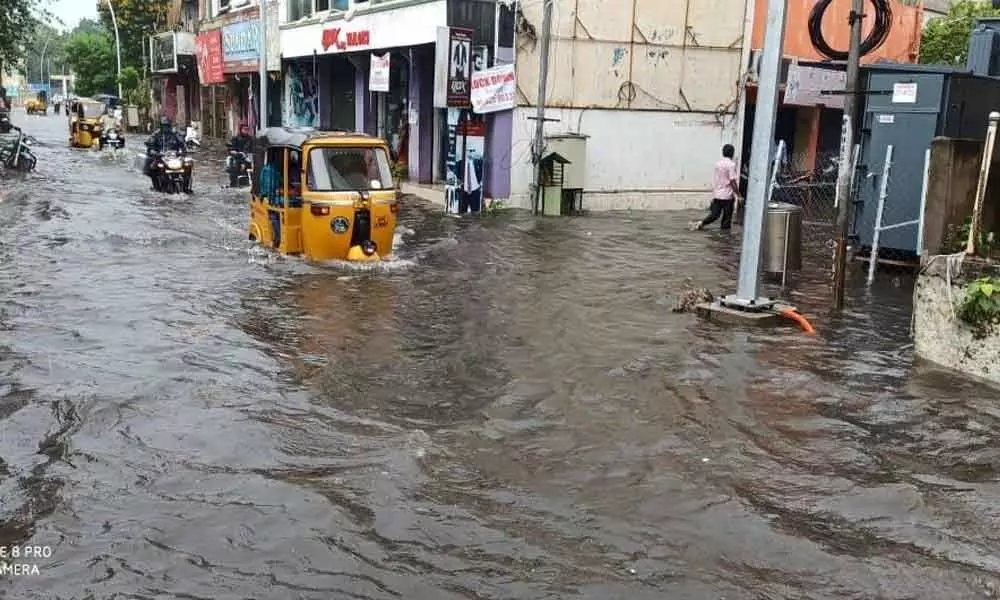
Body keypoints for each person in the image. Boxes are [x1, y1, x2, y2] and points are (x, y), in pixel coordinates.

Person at [696, 144, 741, 231]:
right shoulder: (731, 165)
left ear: (723, 153)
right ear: (732, 153)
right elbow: (732, 181)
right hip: (727, 196)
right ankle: (724, 238)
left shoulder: (718, 164)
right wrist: (738, 195)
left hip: (717, 194)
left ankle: (701, 223)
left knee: (715, 215)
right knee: (726, 219)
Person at [144, 116, 190, 193]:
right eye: (164, 126)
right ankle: (156, 187)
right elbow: (150, 145)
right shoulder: (156, 134)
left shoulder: (175, 134)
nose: (165, 128)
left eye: (167, 125)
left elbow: (182, 144)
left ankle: (186, 187)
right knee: (152, 167)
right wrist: (154, 152)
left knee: (188, 166)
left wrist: (183, 151)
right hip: (160, 157)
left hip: (174, 157)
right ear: (161, 126)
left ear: (170, 126)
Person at [226, 122, 254, 187]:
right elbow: (231, 148)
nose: (246, 131)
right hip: (237, 157)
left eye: (247, 129)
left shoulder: (251, 139)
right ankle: (233, 183)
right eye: (244, 129)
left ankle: (250, 182)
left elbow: (253, 148)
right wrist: (233, 151)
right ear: (241, 129)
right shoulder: (235, 138)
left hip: (248, 157)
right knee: (234, 166)